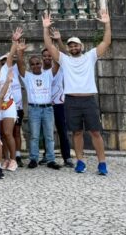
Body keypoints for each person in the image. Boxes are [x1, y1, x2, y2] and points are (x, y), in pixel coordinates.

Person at [42, 10, 112, 175]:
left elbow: (106, 42)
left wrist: (107, 24)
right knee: (77, 132)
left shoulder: (90, 56)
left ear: (81, 46)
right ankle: (80, 161)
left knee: (95, 132)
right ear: (68, 48)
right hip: (71, 100)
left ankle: (102, 163)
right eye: (71, 45)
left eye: (76, 44)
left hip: (88, 100)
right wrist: (45, 29)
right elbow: (49, 46)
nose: (73, 47)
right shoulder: (64, 60)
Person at [16, 42, 61, 170]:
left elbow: (57, 63)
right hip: (34, 109)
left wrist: (54, 48)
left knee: (49, 136)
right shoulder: (27, 76)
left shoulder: (48, 74)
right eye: (33, 64)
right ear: (30, 66)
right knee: (34, 136)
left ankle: (51, 159)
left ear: (41, 64)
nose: (36, 66)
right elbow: (19, 64)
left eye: (38, 63)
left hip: (47, 109)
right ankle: (34, 159)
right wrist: (20, 52)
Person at [0, 27, 23, 171]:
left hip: (8, 105)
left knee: (8, 133)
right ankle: (6, 158)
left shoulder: (5, 69)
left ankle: (13, 159)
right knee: (1, 134)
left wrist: (15, 41)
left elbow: (11, 54)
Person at [42, 45, 73, 167]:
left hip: (59, 104)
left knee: (62, 131)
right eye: (45, 56)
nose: (47, 58)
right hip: (45, 105)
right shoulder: (39, 71)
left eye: (49, 55)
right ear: (42, 58)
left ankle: (67, 157)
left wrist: (55, 43)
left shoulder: (59, 67)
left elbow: (63, 55)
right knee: (46, 132)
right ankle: (47, 155)